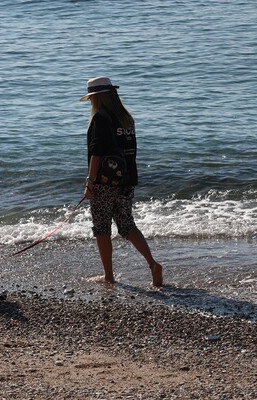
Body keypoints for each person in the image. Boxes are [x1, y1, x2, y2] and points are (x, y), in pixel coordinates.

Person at [80, 76, 163, 287]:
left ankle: (108, 276)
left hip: (105, 182)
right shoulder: (126, 119)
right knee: (127, 225)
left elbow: (97, 154)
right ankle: (153, 264)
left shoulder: (100, 119)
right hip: (127, 180)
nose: (90, 102)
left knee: (101, 227)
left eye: (91, 98)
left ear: (96, 98)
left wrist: (90, 182)